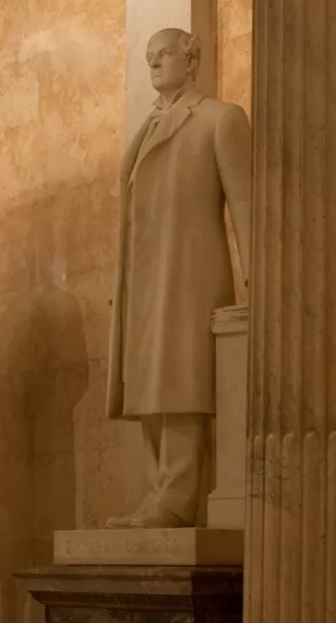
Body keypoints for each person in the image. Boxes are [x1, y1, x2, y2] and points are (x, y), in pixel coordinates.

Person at [106, 27, 252, 528]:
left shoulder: (220, 119)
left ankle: (178, 497)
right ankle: (159, 492)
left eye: (164, 54)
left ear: (191, 60)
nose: (153, 64)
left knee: (181, 382)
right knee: (148, 385)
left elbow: (245, 205)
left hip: (189, 272)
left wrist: (258, 279)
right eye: (148, 57)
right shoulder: (146, 127)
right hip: (145, 281)